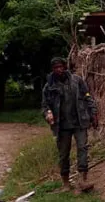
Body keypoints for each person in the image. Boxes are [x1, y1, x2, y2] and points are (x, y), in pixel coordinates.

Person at [41, 57, 98, 192]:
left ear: (65, 67)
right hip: (62, 126)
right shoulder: (49, 86)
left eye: (61, 67)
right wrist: (48, 113)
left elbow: (88, 97)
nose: (59, 70)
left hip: (79, 121)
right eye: (56, 68)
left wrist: (94, 113)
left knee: (82, 148)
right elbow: (44, 105)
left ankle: (82, 181)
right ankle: (66, 184)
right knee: (63, 154)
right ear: (52, 70)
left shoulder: (77, 81)